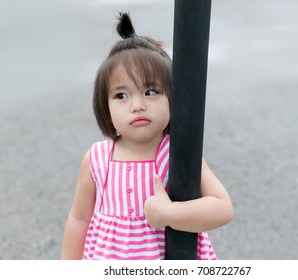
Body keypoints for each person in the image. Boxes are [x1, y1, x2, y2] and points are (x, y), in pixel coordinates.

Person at [61, 12, 233, 260]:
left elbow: (222, 207)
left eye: (151, 91)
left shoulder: (175, 154)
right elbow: (78, 219)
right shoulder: (96, 159)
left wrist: (170, 214)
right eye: (121, 96)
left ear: (173, 99)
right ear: (105, 107)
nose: (137, 105)